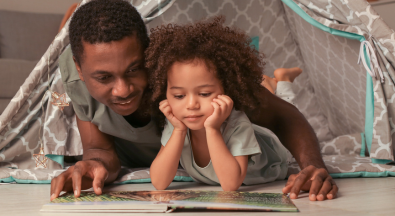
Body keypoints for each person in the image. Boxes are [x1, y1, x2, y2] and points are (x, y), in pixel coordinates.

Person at [50, 0, 337, 202]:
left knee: (267, 92)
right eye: (103, 78)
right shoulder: (76, 82)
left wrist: (312, 164)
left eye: (135, 69)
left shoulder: (180, 78)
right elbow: (100, 150)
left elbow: (283, 116)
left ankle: (276, 80)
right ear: (78, 68)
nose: (123, 89)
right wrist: (94, 166)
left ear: (149, 54)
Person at [147, 17, 301, 191]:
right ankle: (271, 83)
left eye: (204, 94)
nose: (191, 104)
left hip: (277, 153)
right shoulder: (177, 123)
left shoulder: (237, 124)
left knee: (286, 106)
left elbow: (230, 184)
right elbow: (159, 182)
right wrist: (179, 131)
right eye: (179, 95)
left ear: (227, 90)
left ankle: (283, 81)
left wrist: (212, 130)